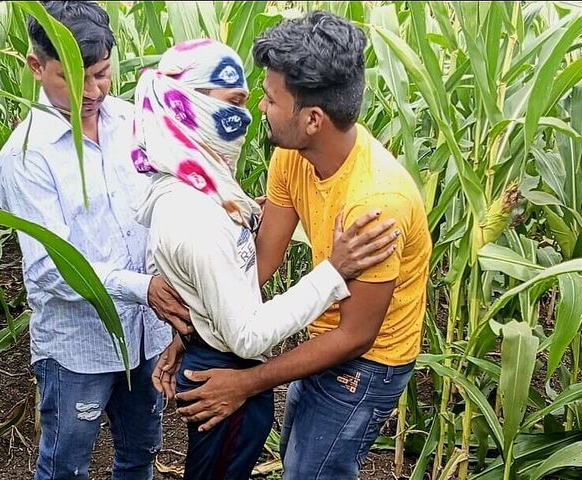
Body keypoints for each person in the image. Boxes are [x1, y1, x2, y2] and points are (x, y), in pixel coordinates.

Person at [173, 11, 433, 479]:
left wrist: (247, 383)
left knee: (310, 473)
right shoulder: (291, 156)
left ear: (313, 119)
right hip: (323, 334)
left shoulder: (375, 205)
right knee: (298, 462)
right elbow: (261, 263)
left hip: (367, 366)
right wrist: (189, 327)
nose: (259, 107)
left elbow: (357, 335)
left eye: (272, 99)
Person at [0, 2, 180, 478]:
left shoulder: (134, 121)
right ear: (36, 66)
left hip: (147, 336)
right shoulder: (26, 158)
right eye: (75, 80)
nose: (94, 91)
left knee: (141, 454)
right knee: (66, 468)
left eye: (103, 73)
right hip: (79, 348)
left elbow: (168, 195)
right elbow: (50, 269)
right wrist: (143, 288)